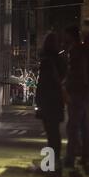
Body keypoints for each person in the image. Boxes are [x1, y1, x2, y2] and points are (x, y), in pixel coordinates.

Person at [63, 25, 89, 168]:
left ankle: (71, 158)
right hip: (84, 91)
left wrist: (68, 88)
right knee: (83, 126)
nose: (64, 39)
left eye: (66, 36)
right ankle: (86, 156)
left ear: (71, 36)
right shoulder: (84, 51)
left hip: (77, 92)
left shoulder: (76, 51)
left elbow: (77, 73)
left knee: (73, 126)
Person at [36, 32, 66, 167]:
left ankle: (51, 163)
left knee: (51, 134)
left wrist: (38, 101)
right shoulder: (60, 60)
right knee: (54, 133)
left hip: (48, 100)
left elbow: (42, 83)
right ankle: (54, 161)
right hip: (57, 100)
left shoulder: (47, 61)